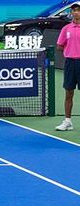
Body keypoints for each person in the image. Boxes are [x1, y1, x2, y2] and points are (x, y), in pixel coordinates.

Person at [57, 3, 80, 131]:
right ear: (72, 13)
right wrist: (70, 49)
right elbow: (59, 46)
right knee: (68, 93)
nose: (76, 13)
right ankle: (67, 122)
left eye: (78, 10)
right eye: (74, 10)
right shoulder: (66, 29)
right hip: (70, 63)